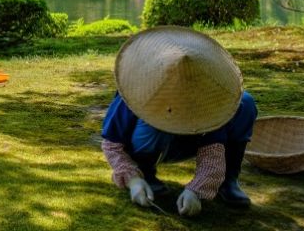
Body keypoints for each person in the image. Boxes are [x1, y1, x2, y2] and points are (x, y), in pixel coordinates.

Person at [101, 26, 257, 217]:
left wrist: (196, 191)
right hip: (150, 143)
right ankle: (145, 173)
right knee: (150, 126)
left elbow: (213, 151)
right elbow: (112, 144)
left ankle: (227, 180)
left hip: (189, 140)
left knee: (245, 102)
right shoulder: (136, 95)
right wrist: (133, 179)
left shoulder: (208, 101)